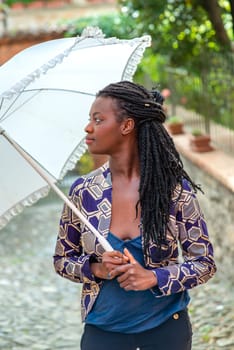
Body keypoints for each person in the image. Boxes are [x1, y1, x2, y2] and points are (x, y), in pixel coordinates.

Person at [53, 80, 216, 350]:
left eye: (98, 119)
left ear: (126, 126)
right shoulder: (84, 192)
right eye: (89, 119)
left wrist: (154, 277)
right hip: (102, 334)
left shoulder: (174, 191)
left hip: (166, 330)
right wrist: (97, 268)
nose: (88, 127)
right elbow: (62, 260)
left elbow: (204, 263)